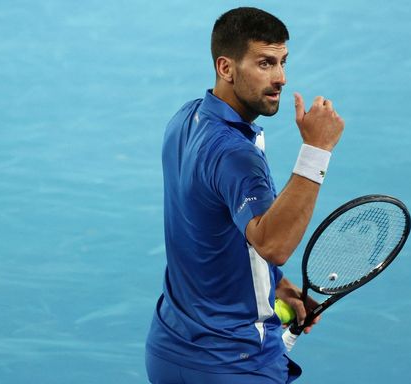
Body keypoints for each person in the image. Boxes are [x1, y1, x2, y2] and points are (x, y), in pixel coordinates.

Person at [145, 7, 345, 384]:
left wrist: (277, 284)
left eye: (283, 62)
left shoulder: (187, 120)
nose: (281, 78)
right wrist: (317, 151)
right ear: (226, 68)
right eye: (265, 63)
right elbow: (273, 243)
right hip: (234, 364)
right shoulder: (237, 154)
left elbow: (211, 226)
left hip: (169, 351)